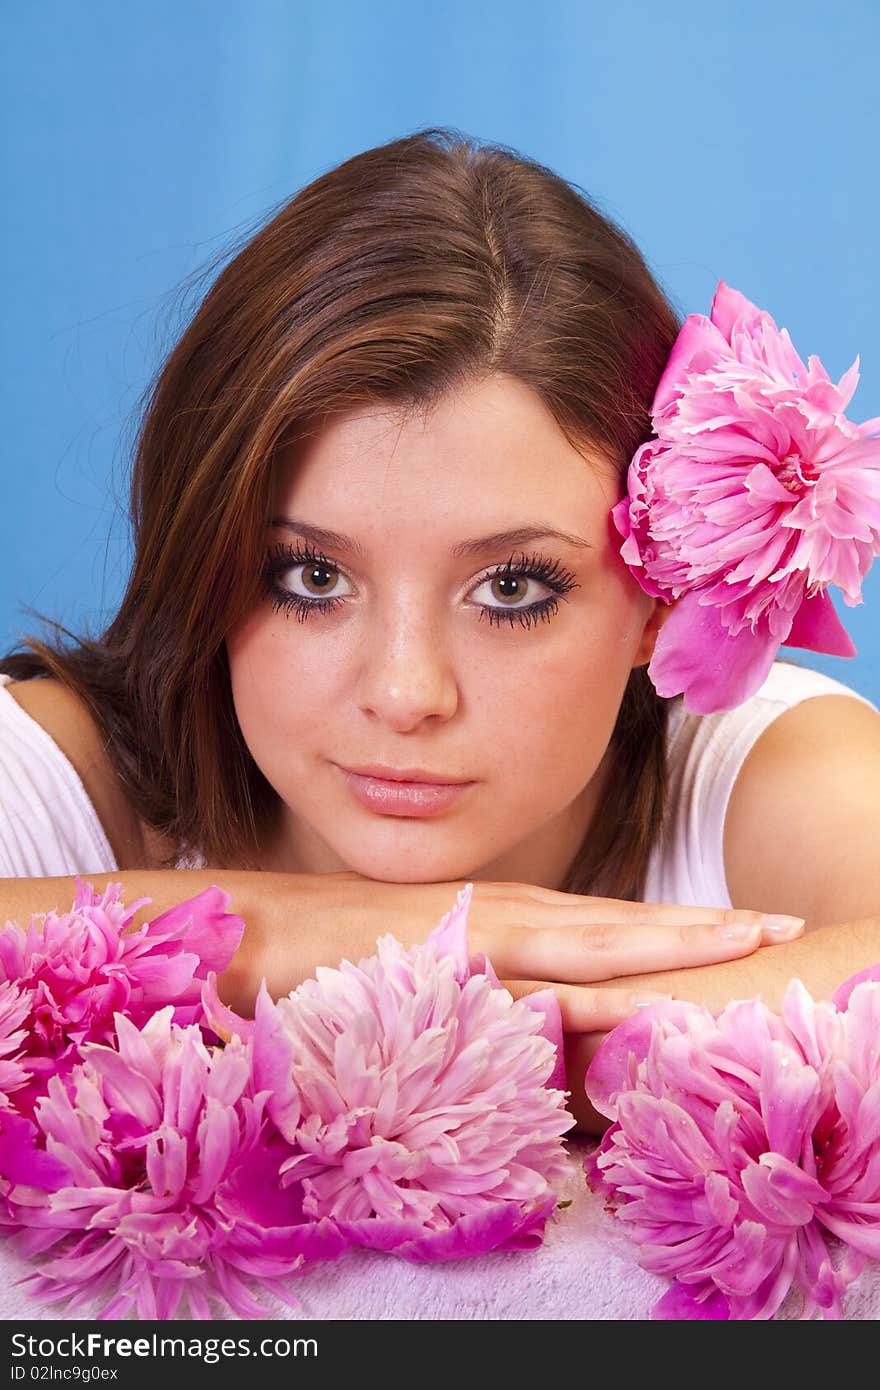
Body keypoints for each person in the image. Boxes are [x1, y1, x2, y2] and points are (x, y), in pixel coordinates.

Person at [2, 127, 880, 1135]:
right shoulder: (66, 770)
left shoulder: (752, 763)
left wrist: (465, 1011)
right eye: (312, 575)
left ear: (660, 599)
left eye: (511, 587)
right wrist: (272, 933)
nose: (406, 691)